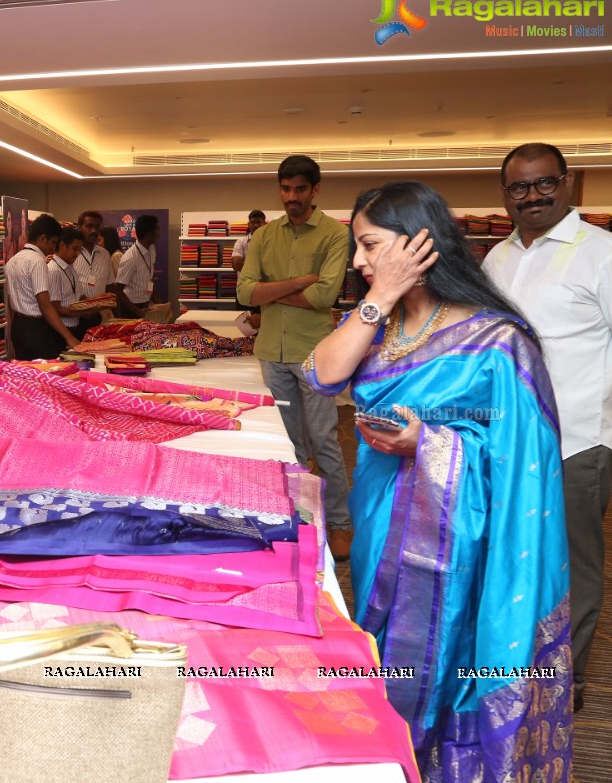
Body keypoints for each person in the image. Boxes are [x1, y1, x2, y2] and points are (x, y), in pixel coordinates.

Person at [304, 180, 572, 781]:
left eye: (369, 244)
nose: (358, 260)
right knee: (385, 648)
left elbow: (522, 458)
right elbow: (323, 374)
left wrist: (427, 442)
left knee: (450, 653)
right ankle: (390, 760)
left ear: (419, 242)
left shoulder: (497, 340)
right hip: (380, 519)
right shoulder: (379, 322)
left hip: (465, 540)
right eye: (357, 247)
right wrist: (381, 293)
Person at [482, 142, 612, 712]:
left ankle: (568, 678)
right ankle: (510, 663)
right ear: (505, 194)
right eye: (519, 187)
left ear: (567, 184)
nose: (533, 195)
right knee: (513, 553)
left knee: (572, 563)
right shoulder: (497, 258)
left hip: (578, 440)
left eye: (545, 183)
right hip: (508, 437)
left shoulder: (601, 252)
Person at [236, 155, 353, 560]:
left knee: (324, 441)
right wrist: (299, 283)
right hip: (271, 353)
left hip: (315, 356)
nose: (292, 197)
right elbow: (245, 293)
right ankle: (296, 519)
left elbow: (324, 296)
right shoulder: (266, 237)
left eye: (300, 189)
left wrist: (272, 290)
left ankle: (339, 523)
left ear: (315, 190)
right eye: (286, 189)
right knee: (285, 444)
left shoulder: (335, 235)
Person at [5, 214, 76, 359]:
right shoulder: (38, 261)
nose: (54, 248)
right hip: (36, 327)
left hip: (18, 325)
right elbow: (45, 304)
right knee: (46, 372)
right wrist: (69, 337)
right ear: (42, 238)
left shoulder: (12, 260)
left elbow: (9, 300)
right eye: (53, 243)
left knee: (25, 373)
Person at [72, 210, 115, 337]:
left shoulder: (105, 254)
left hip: (99, 316)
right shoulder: (71, 254)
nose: (94, 231)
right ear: (79, 227)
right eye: (89, 226)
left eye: (97, 227)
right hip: (75, 317)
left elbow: (110, 285)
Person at [112, 214, 159, 319]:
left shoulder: (152, 249)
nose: (159, 233)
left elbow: (148, 275)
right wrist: (136, 310)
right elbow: (118, 289)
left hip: (146, 304)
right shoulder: (130, 257)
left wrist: (155, 296)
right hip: (131, 309)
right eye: (157, 229)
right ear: (149, 233)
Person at [48, 227, 85, 338]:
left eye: (79, 250)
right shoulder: (53, 270)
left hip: (76, 326)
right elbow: (56, 309)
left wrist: (98, 302)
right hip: (60, 332)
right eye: (75, 249)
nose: (78, 253)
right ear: (63, 245)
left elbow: (80, 296)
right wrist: (84, 312)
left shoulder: (71, 267)